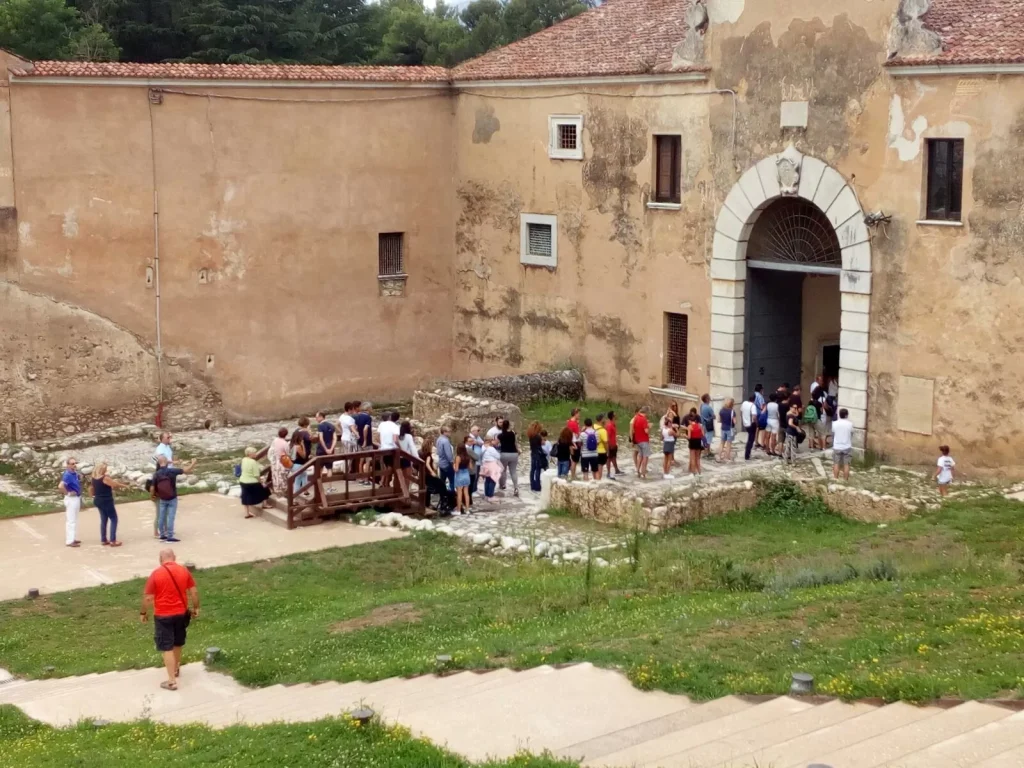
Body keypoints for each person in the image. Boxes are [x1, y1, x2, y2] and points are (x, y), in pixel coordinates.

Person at [140, 549, 199, 691]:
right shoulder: (184, 571)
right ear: (174, 557)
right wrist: (196, 607)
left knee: (167, 647)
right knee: (177, 643)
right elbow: (194, 592)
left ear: (160, 559)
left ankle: (171, 681)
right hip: (181, 613)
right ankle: (176, 668)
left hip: (163, 615)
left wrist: (143, 612)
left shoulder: (156, 573)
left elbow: (148, 598)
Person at [152, 455, 196, 543]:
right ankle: (170, 536)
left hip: (162, 498)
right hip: (172, 497)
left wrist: (153, 495)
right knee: (170, 517)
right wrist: (193, 463)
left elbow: (153, 488)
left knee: (161, 516)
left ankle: (162, 535)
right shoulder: (171, 471)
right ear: (166, 462)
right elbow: (186, 470)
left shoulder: (156, 474)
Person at [91, 462, 128, 546]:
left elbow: (92, 488)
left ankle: (103, 539)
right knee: (114, 518)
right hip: (106, 500)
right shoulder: (105, 478)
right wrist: (124, 485)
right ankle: (113, 540)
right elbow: (114, 484)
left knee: (104, 519)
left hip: (98, 500)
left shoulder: (93, 477)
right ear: (103, 469)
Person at [238, 447, 269, 518]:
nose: (256, 454)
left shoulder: (244, 459)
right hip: (252, 482)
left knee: (245, 496)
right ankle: (265, 504)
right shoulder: (253, 462)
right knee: (265, 490)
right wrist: (261, 482)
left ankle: (247, 513)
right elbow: (256, 475)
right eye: (254, 452)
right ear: (250, 454)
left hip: (243, 480)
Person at [58, 457, 82, 548]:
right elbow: (60, 486)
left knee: (75, 519)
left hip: (76, 497)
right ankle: (69, 540)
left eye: (75, 463)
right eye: (72, 464)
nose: (74, 465)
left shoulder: (74, 473)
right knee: (71, 520)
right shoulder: (67, 475)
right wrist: (67, 493)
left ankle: (73, 538)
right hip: (71, 499)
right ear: (68, 465)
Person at [420, 437, 447, 514]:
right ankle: (443, 503)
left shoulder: (420, 453)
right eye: (431, 444)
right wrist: (432, 471)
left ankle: (428, 504)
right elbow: (427, 464)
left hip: (423, 474)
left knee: (429, 487)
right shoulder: (428, 454)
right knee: (442, 485)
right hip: (429, 474)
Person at [378, 411, 401, 489]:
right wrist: (400, 447)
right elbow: (395, 440)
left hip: (383, 448)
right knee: (390, 467)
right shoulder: (395, 426)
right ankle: (385, 483)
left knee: (386, 466)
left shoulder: (382, 424)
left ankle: (383, 482)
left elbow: (379, 436)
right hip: (391, 449)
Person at [497, 420, 520, 496]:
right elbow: (515, 443)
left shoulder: (500, 435)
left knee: (503, 470)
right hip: (513, 453)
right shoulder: (512, 434)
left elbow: (496, 443)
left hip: (504, 454)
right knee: (513, 471)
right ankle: (516, 487)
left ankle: (503, 485)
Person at [831, 408, 854, 480]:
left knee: (836, 463)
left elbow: (833, 434)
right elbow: (852, 433)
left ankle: (835, 479)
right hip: (847, 446)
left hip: (837, 446)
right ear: (847, 415)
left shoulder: (834, 423)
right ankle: (845, 480)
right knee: (846, 464)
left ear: (839, 415)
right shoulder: (850, 424)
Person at [267, 426, 291, 495]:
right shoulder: (285, 443)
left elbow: (271, 450)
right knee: (283, 477)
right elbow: (287, 453)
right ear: (286, 435)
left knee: (275, 476)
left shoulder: (275, 440)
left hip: (275, 461)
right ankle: (284, 491)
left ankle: (277, 490)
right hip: (281, 462)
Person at [479, 438, 503, 503]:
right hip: (492, 465)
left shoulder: (483, 448)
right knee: (493, 480)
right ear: (490, 442)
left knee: (487, 480)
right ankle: (490, 495)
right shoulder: (491, 448)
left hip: (485, 465)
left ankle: (486, 495)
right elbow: (498, 456)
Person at [289, 426, 310, 494]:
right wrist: (303, 445)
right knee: (297, 480)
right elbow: (304, 456)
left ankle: (305, 490)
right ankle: (295, 497)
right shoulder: (297, 446)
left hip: (292, 464)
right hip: (298, 465)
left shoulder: (290, 444)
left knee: (304, 475)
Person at [632, 406, 651, 479]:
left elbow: (633, 428)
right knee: (645, 456)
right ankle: (643, 472)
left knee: (640, 455)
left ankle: (637, 471)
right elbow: (646, 431)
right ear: (646, 412)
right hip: (644, 440)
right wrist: (649, 427)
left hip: (637, 440)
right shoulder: (644, 419)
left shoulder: (636, 417)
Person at [467, 426, 484, 504]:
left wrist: (477, 443)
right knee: (474, 475)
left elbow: (482, 443)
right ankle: (473, 490)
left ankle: (475, 489)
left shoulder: (478, 438)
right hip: (473, 461)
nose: (479, 432)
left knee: (476, 475)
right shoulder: (470, 438)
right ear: (473, 431)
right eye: (478, 430)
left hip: (478, 460)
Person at [527, 421, 545, 492]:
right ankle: (537, 485)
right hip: (538, 454)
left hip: (533, 453)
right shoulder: (538, 436)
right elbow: (540, 445)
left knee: (532, 469)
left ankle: (532, 484)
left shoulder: (531, 435)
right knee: (538, 470)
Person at [464, 432, 481, 506]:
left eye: (472, 441)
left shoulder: (462, 448)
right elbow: (477, 457)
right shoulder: (468, 449)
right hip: (470, 470)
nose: (471, 443)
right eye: (470, 441)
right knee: (470, 486)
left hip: (465, 470)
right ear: (466, 441)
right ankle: (469, 501)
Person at [454, 443, 472, 514]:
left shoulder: (458, 457)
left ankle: (458, 510)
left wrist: (454, 465)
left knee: (459, 493)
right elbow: (470, 467)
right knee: (466, 493)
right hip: (466, 475)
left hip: (460, 475)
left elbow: (456, 470)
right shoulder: (468, 457)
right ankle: (467, 509)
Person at [399, 421, 418, 490]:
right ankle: (406, 492)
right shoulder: (408, 436)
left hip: (398, 458)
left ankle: (398, 491)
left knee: (398, 476)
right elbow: (412, 448)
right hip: (406, 458)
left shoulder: (397, 435)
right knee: (407, 477)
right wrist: (417, 458)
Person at [718, 398, 736, 463]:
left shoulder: (721, 410)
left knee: (722, 443)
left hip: (723, 428)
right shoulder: (732, 411)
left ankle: (719, 456)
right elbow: (734, 421)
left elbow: (719, 420)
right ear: (732, 404)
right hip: (729, 429)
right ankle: (727, 457)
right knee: (728, 444)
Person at [741, 395, 758, 461]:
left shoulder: (744, 403)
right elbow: (754, 416)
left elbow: (741, 411)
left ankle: (747, 452)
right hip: (751, 424)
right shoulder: (753, 406)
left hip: (745, 423)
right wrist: (756, 423)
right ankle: (747, 454)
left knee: (750, 438)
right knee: (751, 439)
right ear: (754, 400)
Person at [566, 408, 581, 480]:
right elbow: (578, 434)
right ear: (575, 414)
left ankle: (573, 475)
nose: (579, 415)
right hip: (575, 442)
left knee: (573, 460)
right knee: (575, 461)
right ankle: (573, 475)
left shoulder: (569, 422)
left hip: (571, 442)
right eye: (578, 413)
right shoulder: (574, 423)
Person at [594, 414, 609, 481]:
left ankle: (594, 479)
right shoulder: (603, 430)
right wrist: (607, 452)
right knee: (600, 466)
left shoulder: (593, 427)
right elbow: (605, 443)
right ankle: (599, 480)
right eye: (604, 419)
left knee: (594, 467)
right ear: (602, 420)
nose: (605, 420)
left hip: (593, 451)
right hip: (601, 451)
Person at [606, 411, 620, 479]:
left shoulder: (613, 424)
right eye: (615, 415)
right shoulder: (609, 425)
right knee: (609, 458)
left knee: (614, 457)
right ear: (612, 416)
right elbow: (607, 436)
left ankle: (616, 470)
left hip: (614, 444)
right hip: (610, 444)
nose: (616, 415)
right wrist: (609, 445)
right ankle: (608, 473)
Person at [753, 384, 766, 450]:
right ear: (761, 389)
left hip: (753, 413)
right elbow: (762, 406)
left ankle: (756, 441)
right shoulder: (760, 396)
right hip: (759, 414)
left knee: (756, 428)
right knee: (761, 429)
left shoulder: (754, 394)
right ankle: (761, 442)